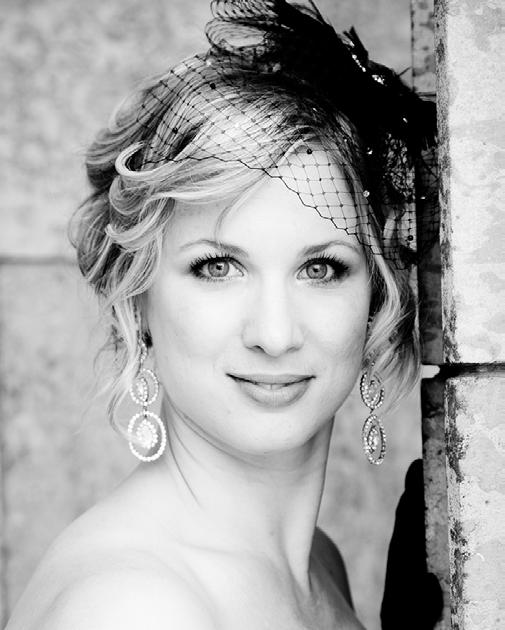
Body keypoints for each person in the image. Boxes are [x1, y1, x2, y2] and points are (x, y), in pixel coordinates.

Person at [5, 1, 438, 629]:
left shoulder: (319, 565)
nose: (275, 335)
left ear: (376, 299)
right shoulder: (136, 609)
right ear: (137, 296)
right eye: (217, 267)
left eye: (321, 269)